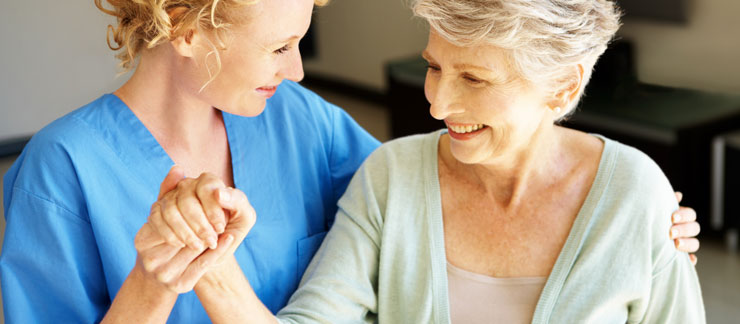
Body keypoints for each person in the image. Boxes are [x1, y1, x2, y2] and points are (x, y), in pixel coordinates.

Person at [0, 0, 699, 323]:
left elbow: (431, 190)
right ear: (184, 29)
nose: (300, 69)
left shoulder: (300, 123)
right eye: (280, 46)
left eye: (302, 39)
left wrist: (644, 226)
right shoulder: (62, 173)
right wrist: (158, 284)